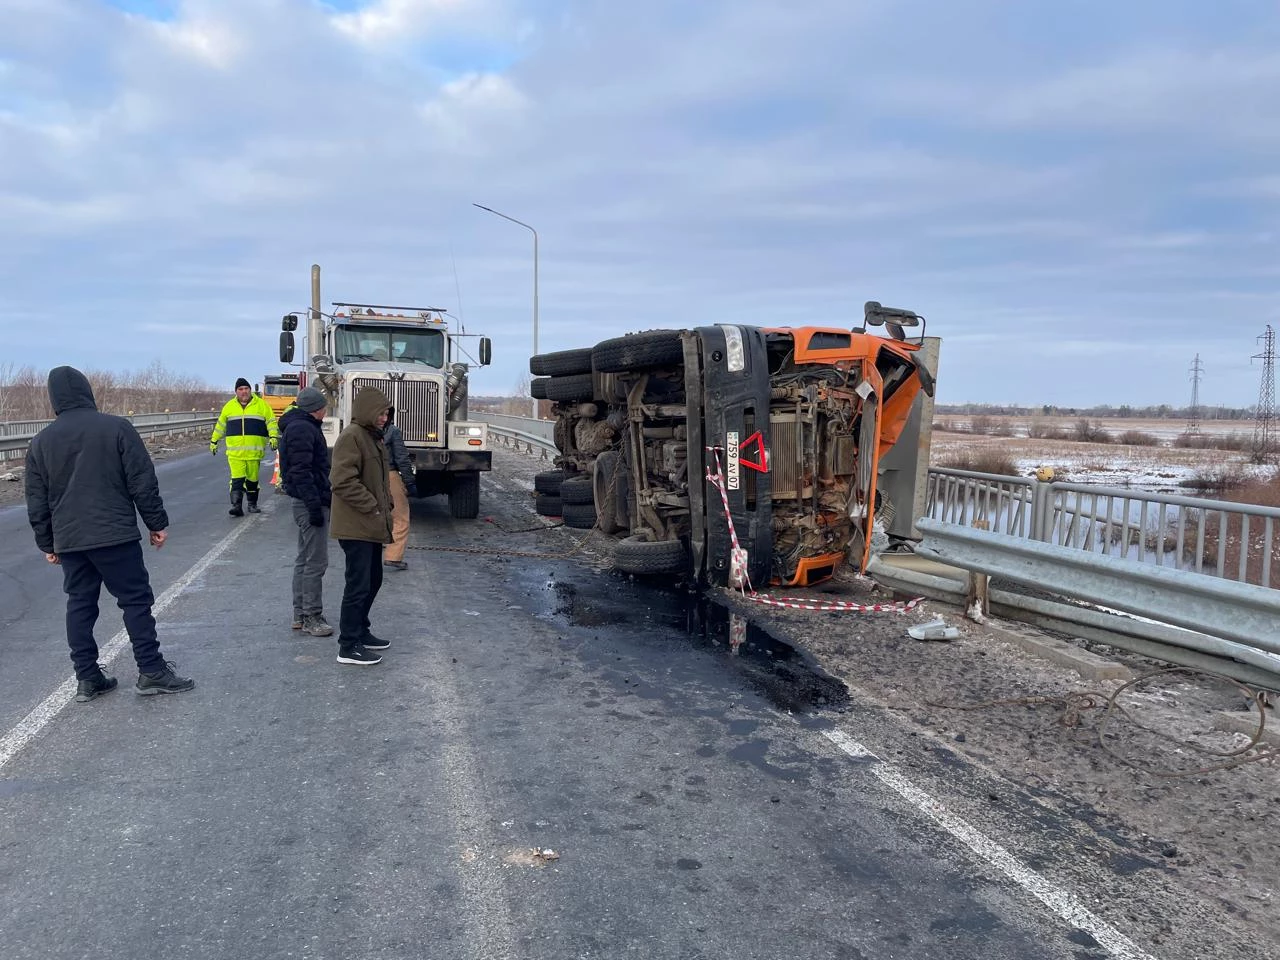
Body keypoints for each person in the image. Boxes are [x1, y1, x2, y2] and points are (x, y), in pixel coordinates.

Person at [24, 366, 195, 700]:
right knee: (134, 601)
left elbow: (37, 500)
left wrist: (48, 543)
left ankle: (87, 678)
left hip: (70, 540)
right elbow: (142, 481)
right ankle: (151, 670)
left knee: (80, 604)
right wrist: (155, 523)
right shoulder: (116, 427)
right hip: (115, 535)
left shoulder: (40, 442)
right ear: (88, 392)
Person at [329, 386, 394, 666]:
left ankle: (361, 631)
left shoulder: (373, 437)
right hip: (356, 524)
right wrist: (373, 505)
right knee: (358, 584)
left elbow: (377, 479)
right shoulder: (352, 437)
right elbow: (342, 481)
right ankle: (348, 645)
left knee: (373, 580)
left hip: (370, 524)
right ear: (368, 411)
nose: (384, 418)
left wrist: (386, 502)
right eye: (381, 413)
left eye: (387, 413)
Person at [279, 387, 334, 637]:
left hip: (304, 500)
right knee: (315, 561)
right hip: (309, 502)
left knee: (304, 559)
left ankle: (300, 614)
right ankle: (312, 616)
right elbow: (302, 471)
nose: (326, 409)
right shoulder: (303, 429)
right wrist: (314, 504)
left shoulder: (299, 426)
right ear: (316, 408)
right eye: (324, 406)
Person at [209, 377, 278, 517]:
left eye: (246, 389)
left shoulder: (262, 405)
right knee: (237, 479)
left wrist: (273, 437)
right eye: (240, 389)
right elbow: (220, 425)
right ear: (236, 391)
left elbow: (271, 422)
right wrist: (214, 440)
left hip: (254, 452)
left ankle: (252, 504)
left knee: (252, 480)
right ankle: (236, 506)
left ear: (250, 390)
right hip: (235, 452)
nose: (244, 392)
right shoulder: (229, 407)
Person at [382, 405, 417, 571]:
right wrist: (409, 482)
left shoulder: (361, 431)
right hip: (390, 476)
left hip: (367, 476)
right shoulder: (393, 431)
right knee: (401, 517)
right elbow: (402, 458)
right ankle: (393, 557)